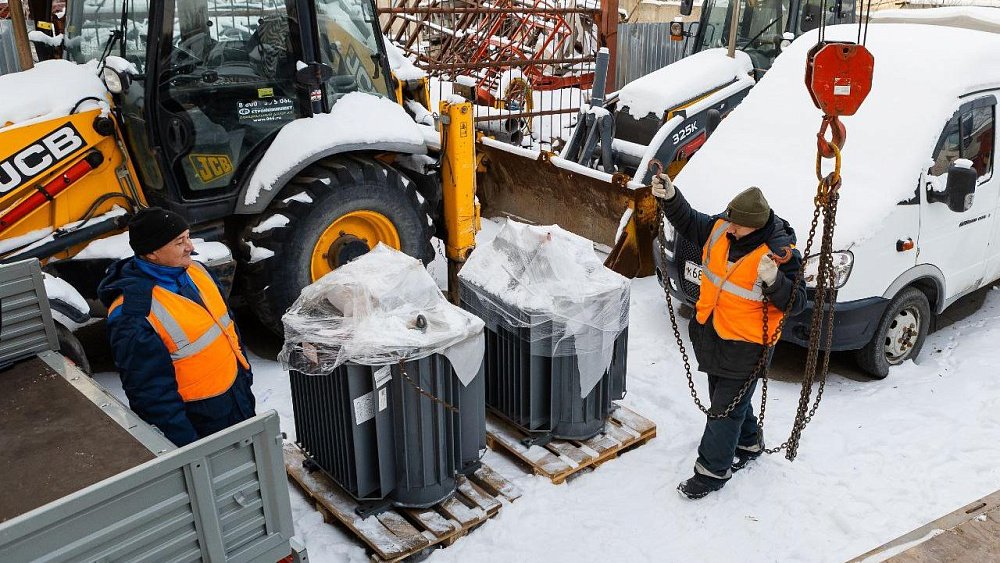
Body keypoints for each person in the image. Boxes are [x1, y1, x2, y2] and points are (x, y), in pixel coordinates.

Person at [652, 173, 806, 500]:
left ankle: (711, 472)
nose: (730, 228)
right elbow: (690, 221)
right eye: (730, 222)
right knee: (728, 400)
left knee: (723, 410)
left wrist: (775, 281)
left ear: (755, 226)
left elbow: (797, 303)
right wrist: (671, 197)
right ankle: (748, 442)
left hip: (748, 346)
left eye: (738, 226)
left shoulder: (779, 254)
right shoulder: (723, 227)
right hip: (712, 334)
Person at [98, 207, 255, 446]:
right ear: (151, 253)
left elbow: (227, 324)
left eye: (188, 237)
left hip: (237, 397)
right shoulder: (133, 314)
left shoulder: (197, 271)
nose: (190, 246)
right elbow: (151, 395)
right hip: (201, 422)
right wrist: (187, 446)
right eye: (179, 242)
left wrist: (245, 374)